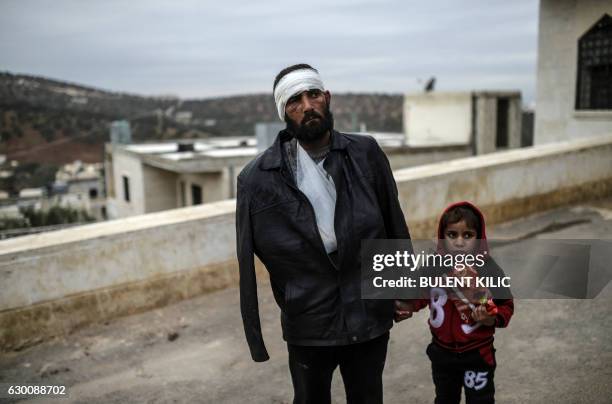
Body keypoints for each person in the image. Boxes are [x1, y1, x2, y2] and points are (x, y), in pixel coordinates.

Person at [236, 63, 412, 404]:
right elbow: (245, 261)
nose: (306, 105)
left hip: (367, 312)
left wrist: (402, 288)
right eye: (294, 101)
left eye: (313, 94)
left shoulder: (365, 153)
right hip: (309, 322)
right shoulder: (257, 180)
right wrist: (257, 337)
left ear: (326, 98)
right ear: (283, 112)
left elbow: (393, 223)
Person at [395, 201, 514, 404]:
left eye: (467, 235)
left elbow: (506, 306)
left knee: (480, 400)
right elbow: (420, 295)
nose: (459, 242)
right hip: (442, 354)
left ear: (478, 238)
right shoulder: (433, 267)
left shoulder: (488, 269)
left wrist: (490, 318)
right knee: (445, 398)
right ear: (443, 236)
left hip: (477, 354)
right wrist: (406, 306)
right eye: (452, 235)